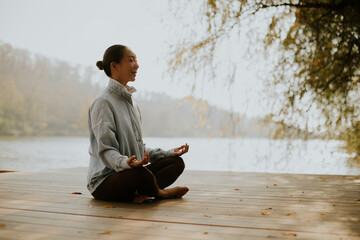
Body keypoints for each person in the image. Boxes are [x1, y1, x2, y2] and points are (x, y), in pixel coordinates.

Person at [87, 44, 189, 203]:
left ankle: (138, 193)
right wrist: (126, 163)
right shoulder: (103, 102)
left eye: (136, 60)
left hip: (131, 173)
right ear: (115, 66)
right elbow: (106, 150)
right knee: (141, 174)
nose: (137, 65)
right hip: (105, 181)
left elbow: (139, 148)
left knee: (175, 163)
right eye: (131, 60)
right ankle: (159, 193)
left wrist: (168, 152)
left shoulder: (133, 104)